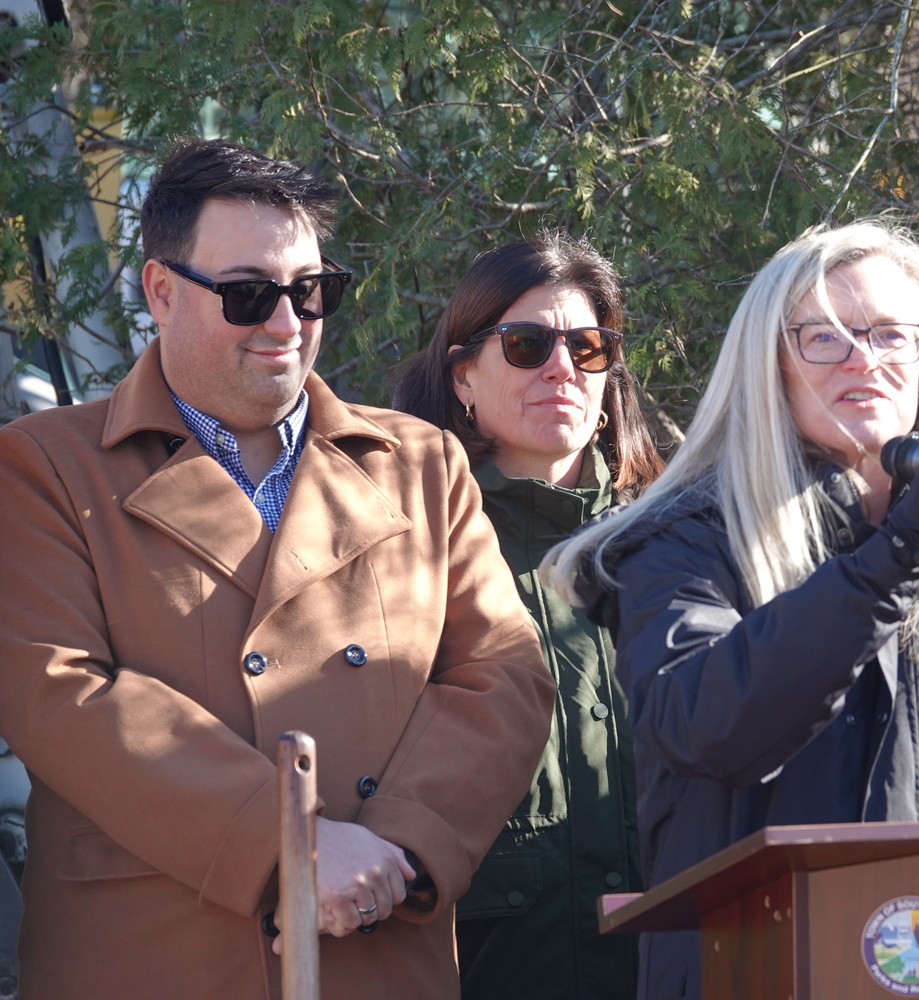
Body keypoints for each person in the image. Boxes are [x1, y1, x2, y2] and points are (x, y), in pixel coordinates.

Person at [0, 139, 556, 999]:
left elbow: (505, 676)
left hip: (375, 950)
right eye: (249, 294)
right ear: (159, 291)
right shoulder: (41, 466)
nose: (287, 325)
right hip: (149, 961)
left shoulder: (422, 462)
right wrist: (288, 845)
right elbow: (55, 691)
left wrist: (397, 848)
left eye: (310, 291)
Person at [545, 220, 919, 999]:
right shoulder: (687, 543)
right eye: (824, 337)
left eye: (888, 336)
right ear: (768, 362)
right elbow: (710, 725)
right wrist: (897, 555)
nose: (862, 360)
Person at [392, 231, 663, 1000]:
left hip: (681, 951)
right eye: (525, 344)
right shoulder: (404, 542)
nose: (562, 370)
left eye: (587, 347)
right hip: (492, 963)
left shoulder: (681, 538)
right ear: (463, 378)